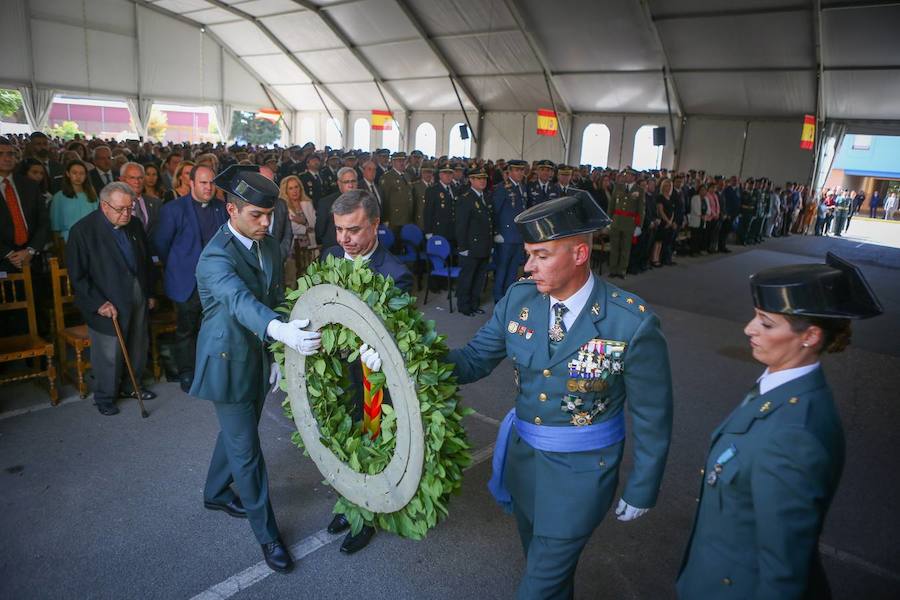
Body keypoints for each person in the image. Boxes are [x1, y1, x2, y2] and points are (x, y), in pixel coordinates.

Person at [444, 193, 673, 599]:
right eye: (529, 254)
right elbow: (474, 360)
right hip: (525, 463)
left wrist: (643, 484)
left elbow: (654, 414)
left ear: (580, 253)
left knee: (538, 586)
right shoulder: (519, 300)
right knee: (544, 568)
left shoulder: (628, 322)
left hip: (581, 476)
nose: (528, 266)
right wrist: (406, 357)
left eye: (541, 255)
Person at [676, 252, 882, 599]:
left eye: (766, 323)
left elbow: (783, 569)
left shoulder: (794, 436)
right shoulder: (779, 386)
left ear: (810, 336)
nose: (749, 329)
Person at [190, 165, 322, 574]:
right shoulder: (214, 257)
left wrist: (278, 346)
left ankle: (214, 492)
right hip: (227, 361)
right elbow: (238, 301)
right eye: (257, 215)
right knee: (248, 453)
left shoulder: (265, 245)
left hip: (259, 353)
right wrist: (280, 331)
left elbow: (275, 296)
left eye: (269, 215)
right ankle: (268, 536)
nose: (267, 223)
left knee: (237, 430)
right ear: (231, 209)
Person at [317, 188, 411, 554]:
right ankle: (347, 503)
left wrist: (383, 355)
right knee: (341, 444)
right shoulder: (330, 256)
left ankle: (366, 516)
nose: (344, 239)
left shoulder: (395, 273)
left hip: (373, 380)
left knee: (372, 448)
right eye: (339, 230)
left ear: (376, 226)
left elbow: (402, 336)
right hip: (336, 375)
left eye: (353, 230)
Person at [67, 182, 158, 416]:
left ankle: (132, 386)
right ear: (104, 205)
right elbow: (78, 276)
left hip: (136, 291)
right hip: (105, 299)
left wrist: (148, 292)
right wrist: (98, 303)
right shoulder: (82, 231)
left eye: (130, 208)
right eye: (120, 209)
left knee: (138, 342)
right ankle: (105, 396)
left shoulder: (135, 224)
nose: (126, 214)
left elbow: (146, 262)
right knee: (109, 350)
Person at [153, 163, 228, 393]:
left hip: (215, 281)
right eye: (203, 183)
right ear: (191, 183)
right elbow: (161, 245)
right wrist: (180, 265)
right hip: (186, 281)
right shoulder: (173, 209)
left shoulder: (222, 208)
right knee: (186, 329)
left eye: (212, 182)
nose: (209, 187)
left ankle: (211, 370)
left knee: (214, 327)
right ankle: (187, 373)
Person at [0, 136, 49, 273]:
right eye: (0, 154)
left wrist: (31, 250)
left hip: (32, 257)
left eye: (10, 154)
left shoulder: (29, 185)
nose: (7, 158)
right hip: (3, 261)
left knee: (38, 293)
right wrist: (9, 254)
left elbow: (43, 221)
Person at [455, 168, 492, 316]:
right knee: (467, 278)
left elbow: (490, 223)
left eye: (484, 178)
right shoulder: (466, 198)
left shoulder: (486, 197)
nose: (482, 181)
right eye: (478, 178)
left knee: (479, 278)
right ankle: (464, 306)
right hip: (470, 247)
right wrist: (463, 247)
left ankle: (474, 304)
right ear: (471, 180)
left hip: (484, 245)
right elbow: (461, 225)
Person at [492, 159, 528, 303]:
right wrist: (496, 232)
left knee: (513, 269)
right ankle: (498, 297)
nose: (520, 173)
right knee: (502, 268)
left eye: (522, 170)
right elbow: (495, 211)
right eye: (517, 170)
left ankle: (507, 295)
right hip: (505, 236)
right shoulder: (502, 188)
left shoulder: (522, 187)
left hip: (518, 235)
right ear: (510, 172)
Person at [50, 160, 98, 242]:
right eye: (74, 173)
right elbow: (55, 227)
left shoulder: (93, 195)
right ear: (68, 174)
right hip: (68, 239)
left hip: (90, 239)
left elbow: (98, 221)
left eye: (81, 173)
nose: (78, 176)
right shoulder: (59, 197)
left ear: (86, 175)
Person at [607, 170, 643, 279]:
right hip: (616, 221)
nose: (626, 177)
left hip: (629, 223)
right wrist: (608, 220)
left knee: (625, 248)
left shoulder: (639, 190)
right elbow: (611, 205)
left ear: (634, 177)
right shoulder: (618, 187)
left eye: (628, 175)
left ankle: (622, 270)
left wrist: (638, 226)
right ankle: (613, 269)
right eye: (625, 175)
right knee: (615, 247)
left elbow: (641, 209)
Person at [316, 166, 358, 250]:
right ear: (339, 183)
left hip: (358, 250)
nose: (351, 185)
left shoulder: (364, 201)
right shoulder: (326, 203)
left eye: (353, 181)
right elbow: (320, 230)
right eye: (346, 182)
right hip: (334, 250)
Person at [119, 162, 161, 243]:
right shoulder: (114, 204)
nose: (137, 181)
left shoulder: (156, 203)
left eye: (140, 178)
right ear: (122, 180)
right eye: (132, 178)